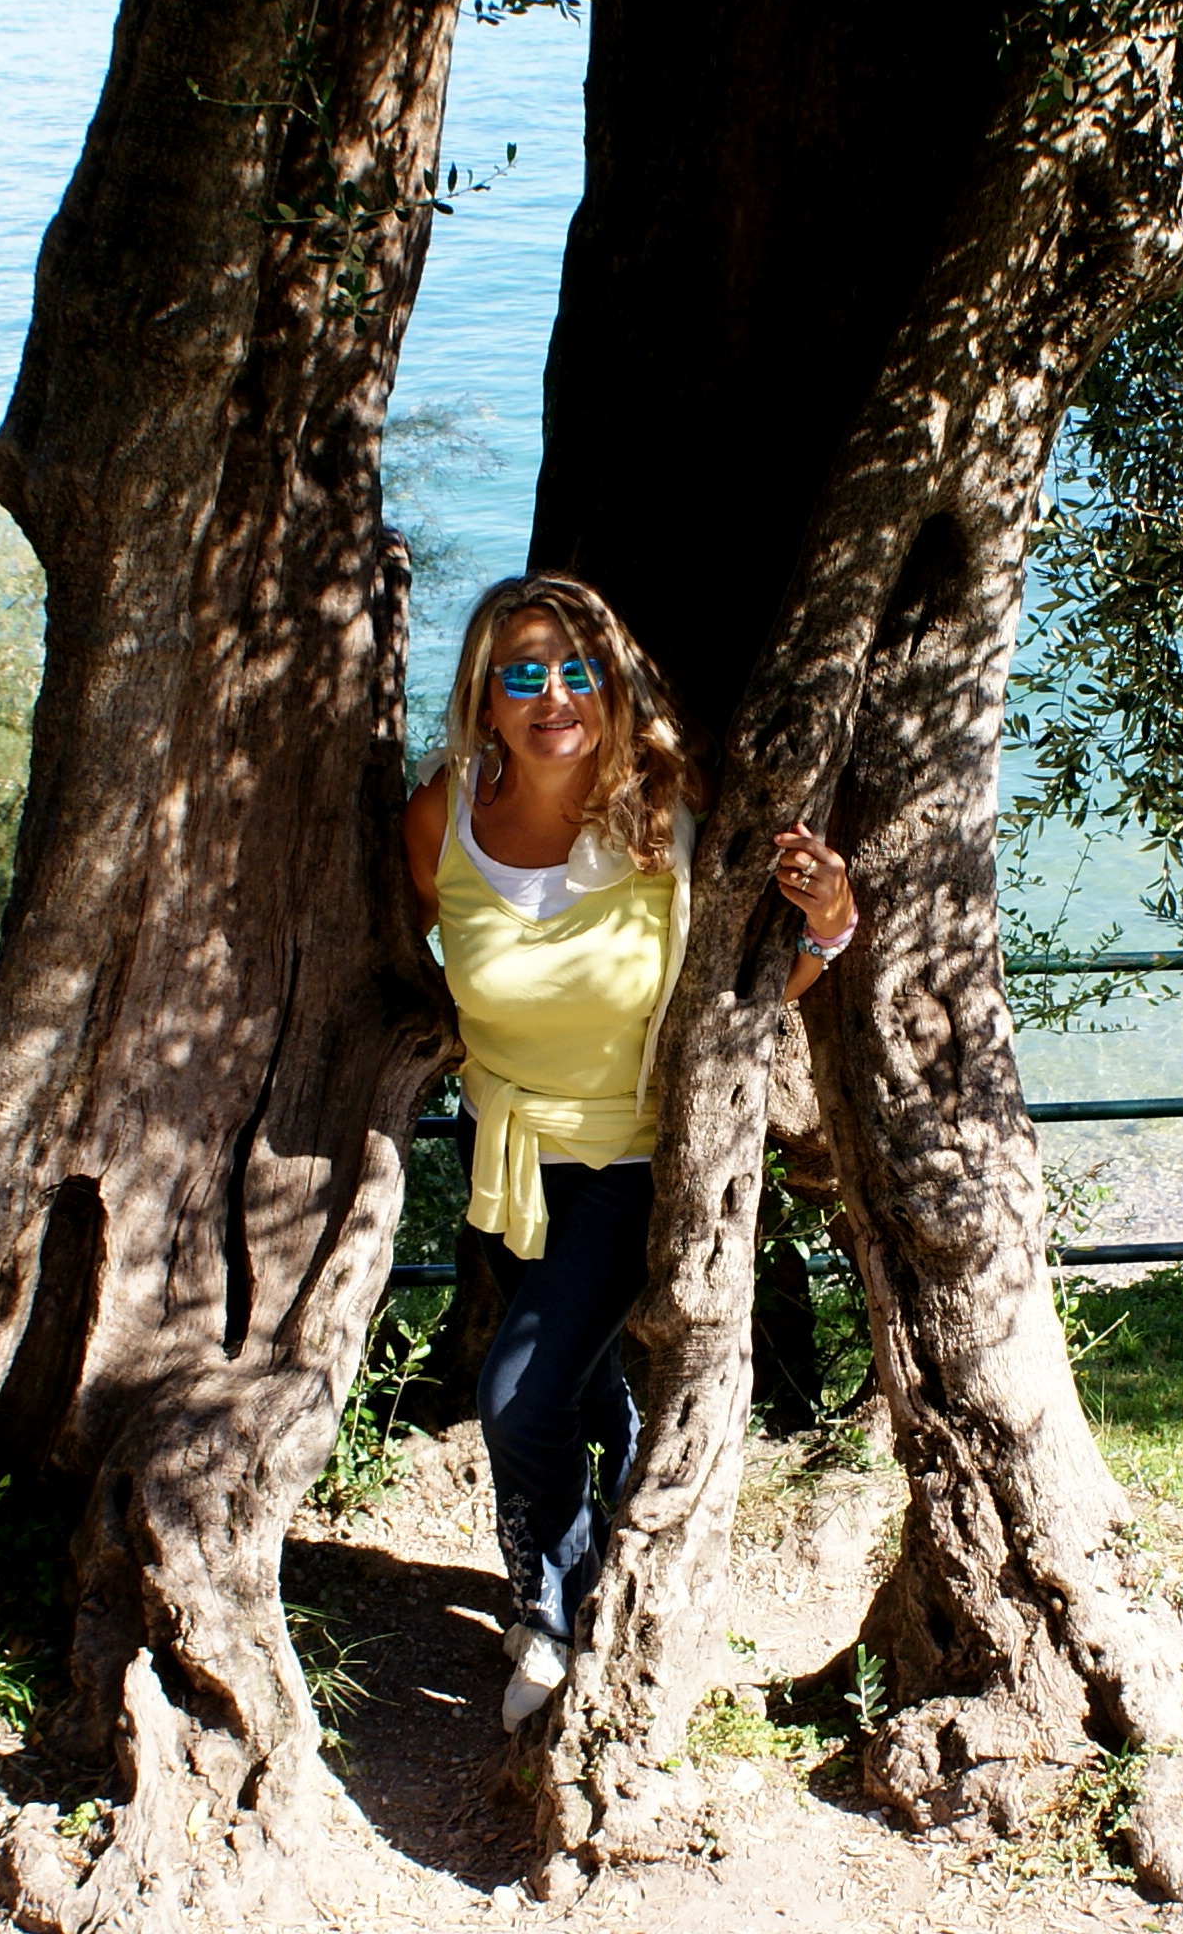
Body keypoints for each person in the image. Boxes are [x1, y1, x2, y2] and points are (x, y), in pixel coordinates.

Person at [405, 571, 860, 1727]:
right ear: (485, 696)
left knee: (516, 1394)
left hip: (633, 1163)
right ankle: (586, 1555)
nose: (551, 694)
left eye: (576, 669)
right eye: (522, 673)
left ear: (610, 684)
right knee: (578, 1378)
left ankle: (547, 1616)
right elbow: (408, 952)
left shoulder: (668, 813)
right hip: (508, 1151)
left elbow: (745, 991)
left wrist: (829, 921)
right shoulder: (441, 818)